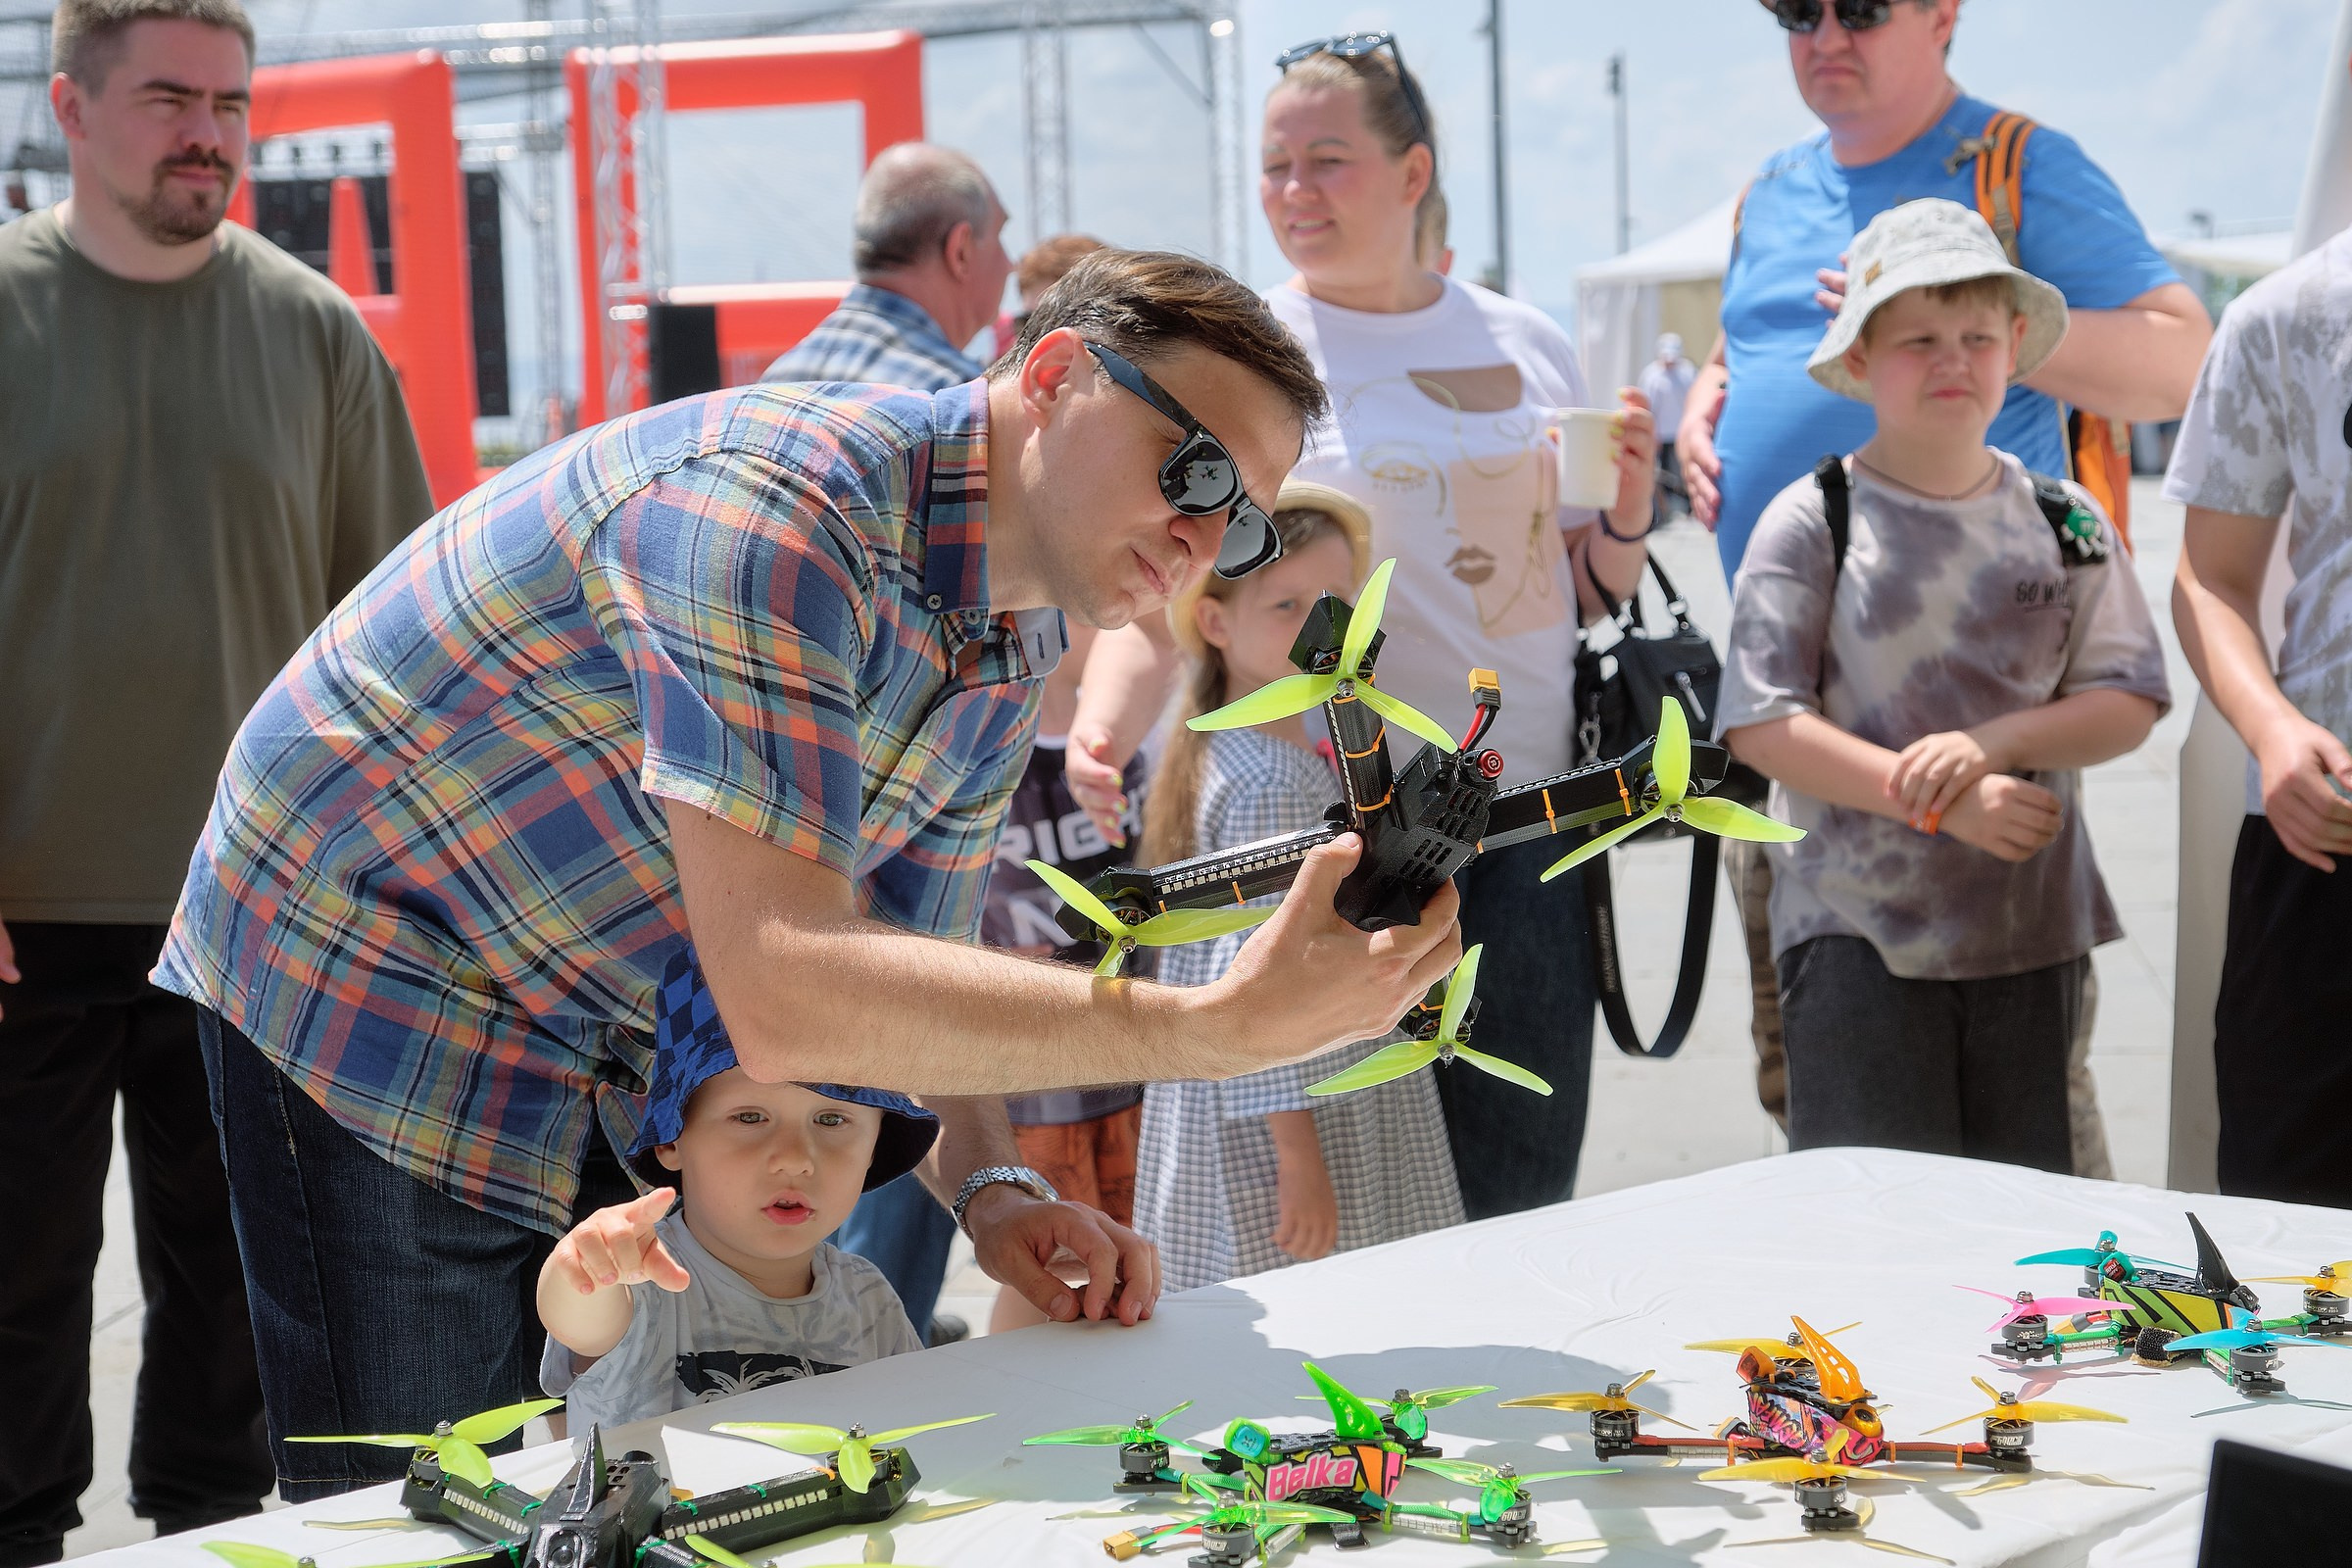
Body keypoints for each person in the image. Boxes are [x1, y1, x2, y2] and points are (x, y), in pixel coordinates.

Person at [157, 246, 1464, 1497]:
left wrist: (1000, 1194)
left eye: (1239, 524)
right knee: (429, 1498)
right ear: (1056, 375)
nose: (1200, 535)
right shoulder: (774, 514)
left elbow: (906, 986)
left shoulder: (1011, 630)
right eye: (1192, 470)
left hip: (587, 994)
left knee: (628, 1476)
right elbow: (787, 992)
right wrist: (1215, 1029)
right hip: (372, 965)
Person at [1065, 33, 1656, 1221]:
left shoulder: (1524, 340)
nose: (1294, 191)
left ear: (1411, 171)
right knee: (1364, 1192)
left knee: (1524, 1172)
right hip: (1333, 833)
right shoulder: (1239, 359)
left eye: (1325, 160)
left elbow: (1576, 592)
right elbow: (1172, 573)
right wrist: (1099, 726)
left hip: (1523, 811)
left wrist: (1629, 518)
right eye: (1276, 164)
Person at [0, 1, 432, 1557]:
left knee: (236, 1290)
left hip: (253, 910)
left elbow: (394, 635)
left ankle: (203, 1544)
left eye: (234, 103)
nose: (211, 132)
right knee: (13, 1287)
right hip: (23, 911)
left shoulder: (316, 332)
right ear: (71, 106)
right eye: (172, 97)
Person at [1676, 0, 2209, 1167]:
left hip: (1978, 752)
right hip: (1806, 753)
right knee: (1823, 1101)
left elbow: (2183, 362)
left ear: (1942, 15)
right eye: (1793, 11)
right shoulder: (1768, 187)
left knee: (2025, 1147)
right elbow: (1752, 333)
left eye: (1858, 7)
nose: (1824, 33)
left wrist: (1964, 315)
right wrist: (1705, 401)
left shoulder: (2018, 162)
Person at [1716, 200, 2167, 1169]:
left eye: (1975, 336)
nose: (1951, 359)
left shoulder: (2067, 518)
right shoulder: (1813, 519)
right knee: (1878, 1214)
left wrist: (1997, 745)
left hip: (2029, 928)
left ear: (2016, 347)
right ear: (1861, 360)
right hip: (1852, 932)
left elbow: (2127, 695)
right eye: (1918, 338)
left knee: (2029, 1225)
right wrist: (1935, 803)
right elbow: (1761, 723)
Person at [758, 142, 1013, 1348]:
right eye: (999, 246)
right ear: (961, 249)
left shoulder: (777, 386)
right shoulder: (949, 424)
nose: (1002, 275)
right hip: (857, 912)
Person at [1132, 486, 1464, 1291]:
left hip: (1242, 1086)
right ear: (1217, 623)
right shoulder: (1268, 781)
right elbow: (1266, 966)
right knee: (1319, 1295)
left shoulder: (1238, 753)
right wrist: (1297, 1157)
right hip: (1292, 1107)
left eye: (1338, 605)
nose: (1322, 629)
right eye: (1286, 605)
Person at [980, 230, 1153, 1336]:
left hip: (1126, 1027)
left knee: (1141, 1249)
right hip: (1020, 1037)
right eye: (1039, 323)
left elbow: (1154, 639)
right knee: (1039, 1277)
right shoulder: (1001, 536)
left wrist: (1093, 731)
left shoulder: (1112, 560)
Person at [538, 951, 932, 1432]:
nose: (795, 1157)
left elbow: (915, 1425)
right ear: (671, 1138)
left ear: (874, 1146)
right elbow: (578, 1320)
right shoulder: (645, 1279)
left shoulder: (869, 1297)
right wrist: (586, 1265)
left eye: (832, 1119)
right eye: (750, 1117)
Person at [2166, 219, 2352, 1210]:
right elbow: (2209, 578)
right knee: (2296, 1245)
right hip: (2324, 838)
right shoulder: (2288, 315)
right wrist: (2274, 728)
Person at [762, 141, 1012, 390]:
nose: (1011, 264)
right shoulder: (961, 400)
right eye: (999, 234)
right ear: (961, 252)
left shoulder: (775, 381)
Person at [1639, 333, 1695, 516]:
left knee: (1683, 470)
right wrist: (1652, 433)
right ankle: (1664, 510)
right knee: (1661, 473)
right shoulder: (1651, 375)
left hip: (1681, 432)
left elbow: (1693, 402)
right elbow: (1648, 406)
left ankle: (1688, 508)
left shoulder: (1687, 372)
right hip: (1661, 433)